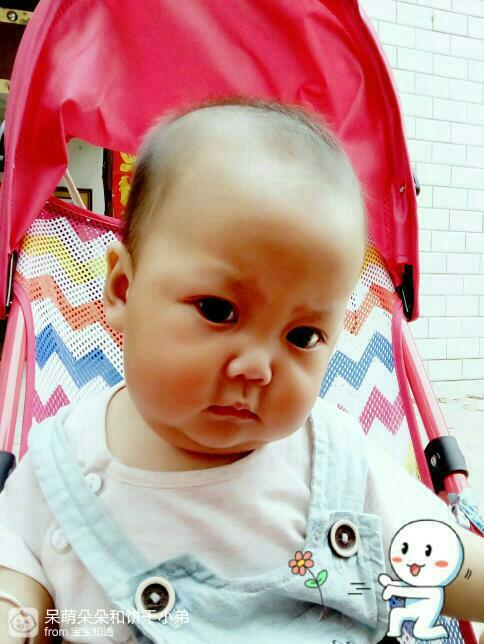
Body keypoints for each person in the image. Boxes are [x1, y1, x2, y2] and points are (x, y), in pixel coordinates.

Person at [0, 98, 482, 643]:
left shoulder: (336, 462)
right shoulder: (59, 466)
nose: (257, 367)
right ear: (123, 290)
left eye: (302, 336)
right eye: (217, 310)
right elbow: (17, 575)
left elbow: (444, 557)